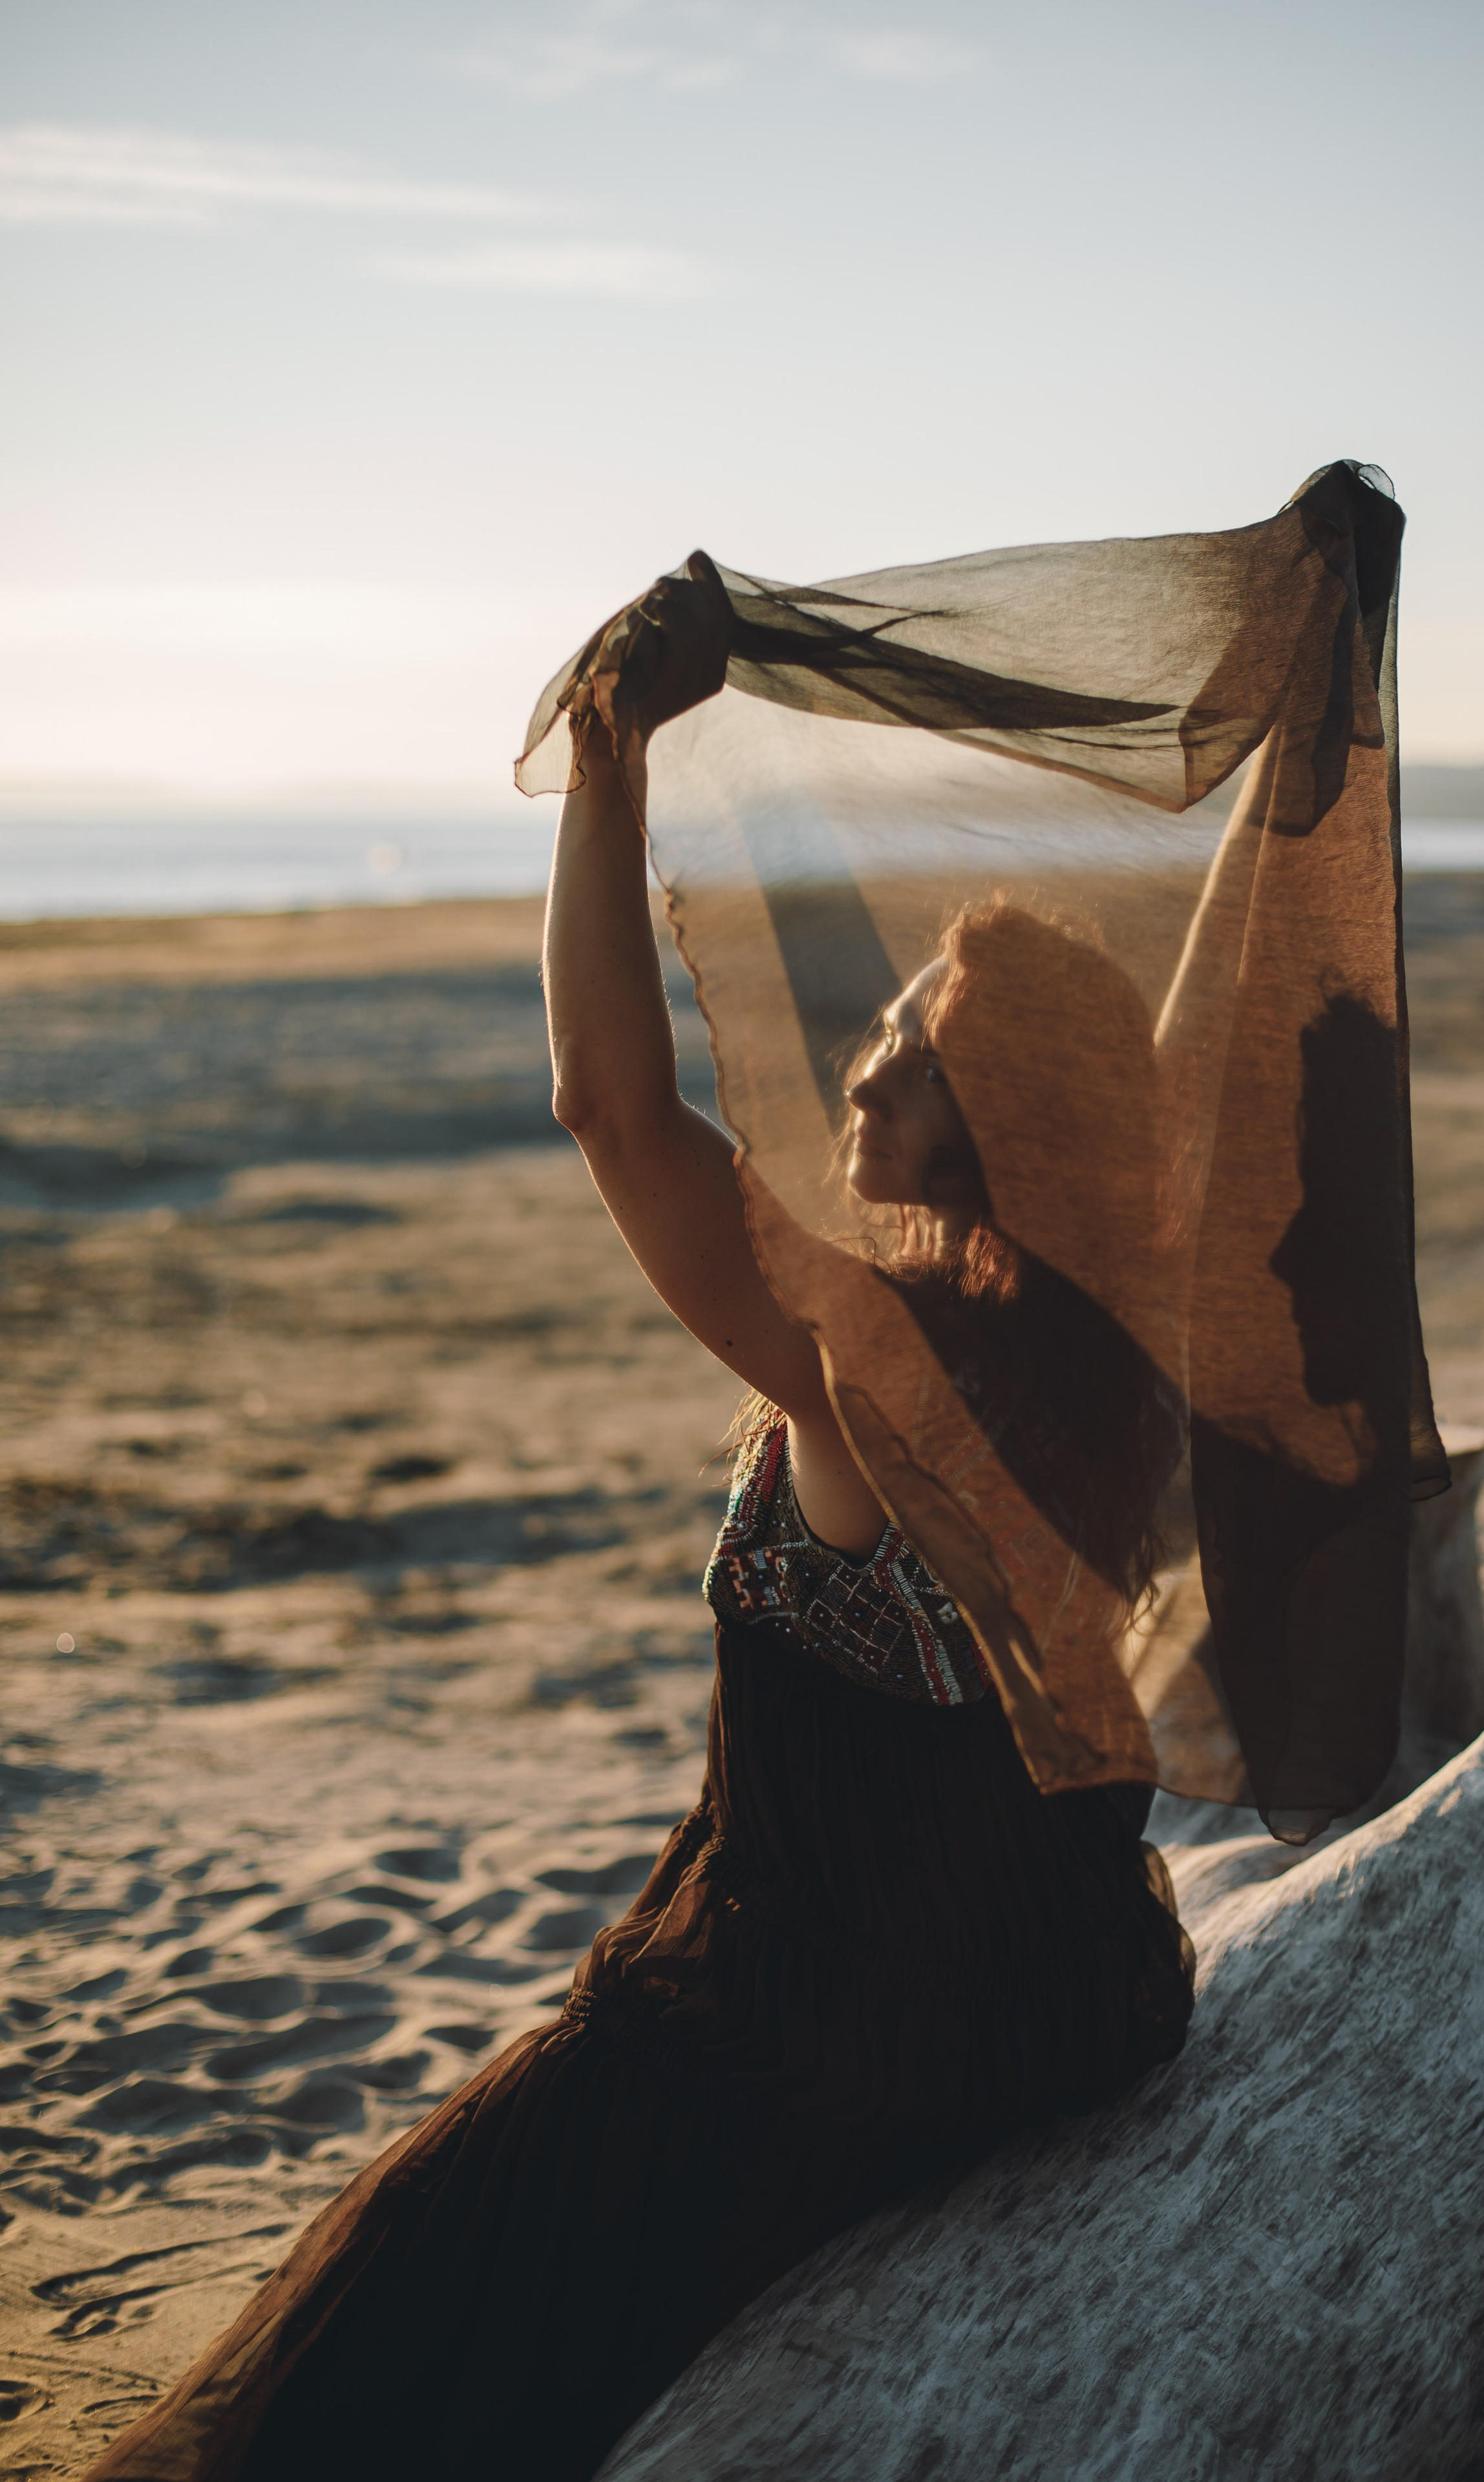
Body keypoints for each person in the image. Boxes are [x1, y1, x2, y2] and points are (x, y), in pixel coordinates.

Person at [86, 703, 1195, 2482]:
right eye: (891, 1026)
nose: (866, 1069)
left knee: (385, 2332)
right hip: (1032, 2003)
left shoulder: (884, 1363)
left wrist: (606, 771)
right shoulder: (1101, 1374)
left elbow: (606, 1103)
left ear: (1005, 1134)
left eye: (917, 1059)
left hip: (790, 2048)